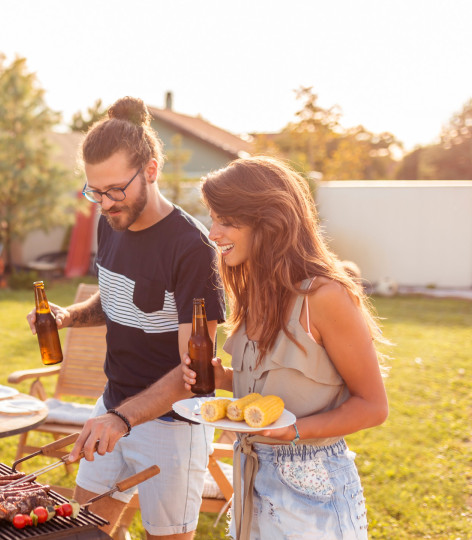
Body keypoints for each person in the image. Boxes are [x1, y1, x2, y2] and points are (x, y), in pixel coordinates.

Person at [27, 97, 225, 539]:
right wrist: (68, 317)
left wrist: (123, 419)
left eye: (115, 189)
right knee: (82, 532)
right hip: (111, 406)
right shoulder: (109, 220)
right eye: (94, 191)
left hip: (172, 426)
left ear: (151, 170)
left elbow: (193, 372)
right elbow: (116, 296)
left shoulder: (192, 250)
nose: (105, 203)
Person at [184, 156, 388, 539]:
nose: (213, 233)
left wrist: (295, 432)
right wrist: (222, 378)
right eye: (212, 218)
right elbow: (270, 389)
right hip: (251, 474)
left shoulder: (326, 296)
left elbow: (373, 406)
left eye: (225, 221)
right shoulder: (252, 292)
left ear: (269, 221)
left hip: (313, 489)